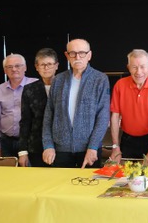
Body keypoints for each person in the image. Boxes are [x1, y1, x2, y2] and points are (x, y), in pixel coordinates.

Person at [42, 39, 110, 168]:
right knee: (61, 187)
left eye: (82, 53)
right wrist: (48, 145)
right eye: (73, 53)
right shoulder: (58, 80)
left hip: (89, 150)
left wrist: (93, 146)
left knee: (89, 187)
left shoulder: (100, 79)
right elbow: (48, 115)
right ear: (67, 55)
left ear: (89, 55)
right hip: (60, 149)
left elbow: (103, 117)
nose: (77, 57)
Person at [109, 49, 148, 163]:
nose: (138, 72)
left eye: (142, 67)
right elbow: (114, 117)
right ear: (128, 67)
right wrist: (115, 147)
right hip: (127, 141)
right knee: (126, 178)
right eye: (134, 67)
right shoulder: (120, 85)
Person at [17, 48, 59, 167]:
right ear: (36, 67)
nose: (46, 68)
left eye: (49, 64)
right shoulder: (29, 89)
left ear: (56, 66)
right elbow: (25, 121)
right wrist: (22, 152)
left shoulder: (65, 87)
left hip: (61, 146)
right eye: (42, 65)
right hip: (36, 146)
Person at [0, 54, 38, 157]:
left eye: (18, 66)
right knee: (8, 172)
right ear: (5, 70)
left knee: (29, 172)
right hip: (6, 142)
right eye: (9, 67)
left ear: (25, 68)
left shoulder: (35, 85)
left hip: (30, 141)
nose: (14, 69)